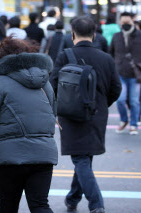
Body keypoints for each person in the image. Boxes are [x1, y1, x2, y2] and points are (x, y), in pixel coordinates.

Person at [0, 37, 57, 213]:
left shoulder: (1, 83)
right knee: (40, 205)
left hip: (9, 156)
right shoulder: (44, 83)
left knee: (8, 205)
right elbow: (52, 112)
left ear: (3, 58)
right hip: (43, 154)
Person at [50, 16, 121, 213]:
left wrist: (56, 110)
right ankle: (72, 198)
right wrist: (101, 105)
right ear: (94, 34)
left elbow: (52, 85)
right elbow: (116, 88)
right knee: (84, 158)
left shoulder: (65, 56)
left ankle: (96, 204)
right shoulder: (106, 58)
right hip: (97, 114)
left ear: (72, 34)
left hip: (71, 115)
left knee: (81, 158)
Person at [110, 12, 141, 135]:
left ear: (132, 22)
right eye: (123, 23)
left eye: (127, 22)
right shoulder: (116, 36)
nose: (125, 25)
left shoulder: (139, 35)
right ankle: (124, 120)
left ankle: (133, 124)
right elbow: (111, 52)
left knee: (134, 101)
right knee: (120, 100)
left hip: (136, 74)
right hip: (120, 72)